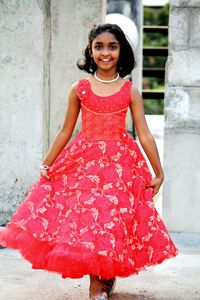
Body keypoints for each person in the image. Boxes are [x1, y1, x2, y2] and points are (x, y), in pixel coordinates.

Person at [0, 24, 178, 300]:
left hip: (120, 165)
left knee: (111, 221)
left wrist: (159, 171)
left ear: (121, 51)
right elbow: (65, 130)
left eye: (112, 46)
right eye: (99, 46)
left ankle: (105, 276)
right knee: (90, 223)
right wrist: (46, 163)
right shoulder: (80, 89)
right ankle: (96, 288)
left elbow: (143, 133)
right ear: (90, 50)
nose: (105, 52)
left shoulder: (129, 91)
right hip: (84, 163)